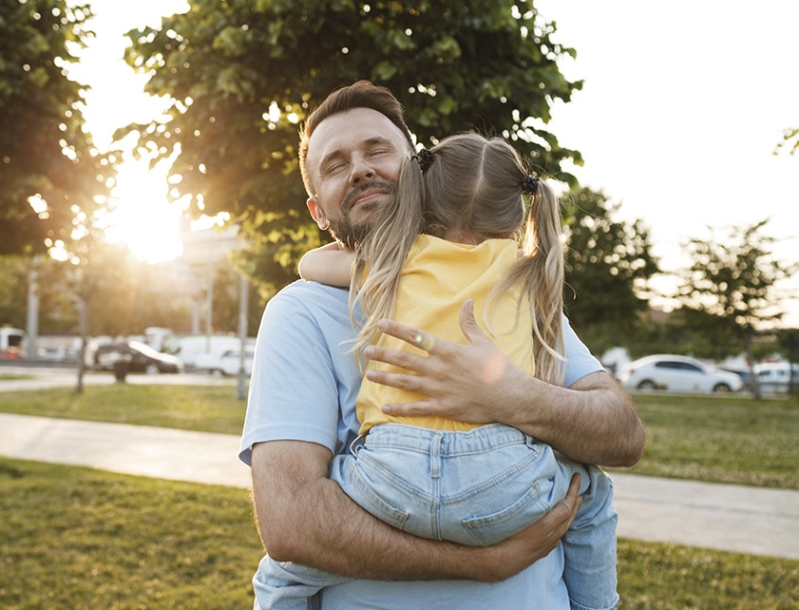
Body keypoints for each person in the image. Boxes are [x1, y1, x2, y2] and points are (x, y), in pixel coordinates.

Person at [239, 81, 645, 610]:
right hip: (503, 500)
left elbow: (624, 435)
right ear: (319, 213)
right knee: (588, 491)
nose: (360, 168)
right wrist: (483, 562)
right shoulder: (301, 312)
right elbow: (292, 523)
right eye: (336, 165)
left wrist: (508, 395)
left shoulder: (512, 294)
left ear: (419, 173)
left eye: (377, 150)